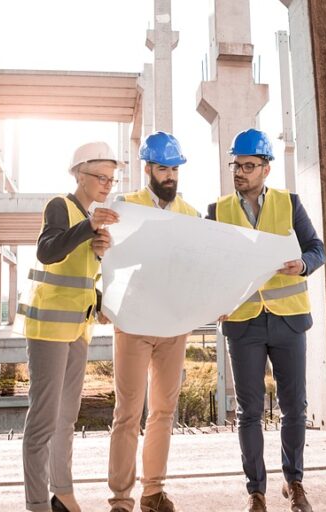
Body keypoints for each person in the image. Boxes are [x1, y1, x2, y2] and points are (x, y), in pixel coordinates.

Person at [206, 129, 325, 512]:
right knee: (250, 412)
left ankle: (294, 483)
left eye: (248, 165)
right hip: (243, 324)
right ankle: (256, 491)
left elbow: (317, 248)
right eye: (235, 165)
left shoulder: (289, 204)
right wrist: (214, 299)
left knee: (294, 407)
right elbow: (207, 264)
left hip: (288, 321)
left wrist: (303, 264)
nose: (239, 172)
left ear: (266, 168)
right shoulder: (218, 210)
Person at [16, 141, 123, 512]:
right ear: (79, 173)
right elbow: (48, 251)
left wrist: (96, 252)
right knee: (43, 420)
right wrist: (88, 227)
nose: (107, 184)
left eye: (111, 178)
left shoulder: (89, 217)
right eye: (100, 176)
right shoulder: (59, 206)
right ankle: (36, 504)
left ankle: (62, 493)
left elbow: (80, 277)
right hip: (48, 330)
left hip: (78, 330)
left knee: (66, 418)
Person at [107, 132, 199, 512]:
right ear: (148, 169)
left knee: (163, 412)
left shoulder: (191, 215)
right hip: (133, 322)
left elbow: (198, 268)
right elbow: (108, 257)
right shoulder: (126, 206)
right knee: (127, 412)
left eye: (175, 169)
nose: (170, 176)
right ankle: (121, 498)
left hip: (174, 325)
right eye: (163, 168)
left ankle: (153, 492)